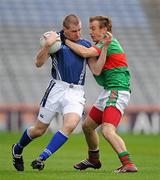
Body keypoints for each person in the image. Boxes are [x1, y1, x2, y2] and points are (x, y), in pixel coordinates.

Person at [11, 14, 111, 172]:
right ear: (65, 29)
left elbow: (97, 71)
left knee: (70, 125)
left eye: (79, 29)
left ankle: (42, 157)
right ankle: (17, 148)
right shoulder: (55, 41)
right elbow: (38, 63)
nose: (78, 33)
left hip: (76, 92)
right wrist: (46, 46)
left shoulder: (85, 44)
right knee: (39, 130)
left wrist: (104, 48)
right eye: (74, 31)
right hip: (56, 89)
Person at [64, 15, 138, 173]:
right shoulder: (103, 44)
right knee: (87, 126)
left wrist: (66, 41)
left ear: (104, 30)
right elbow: (96, 69)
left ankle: (128, 163)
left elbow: (84, 53)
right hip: (108, 91)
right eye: (90, 28)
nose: (90, 32)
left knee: (107, 130)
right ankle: (93, 159)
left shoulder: (110, 43)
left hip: (117, 90)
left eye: (93, 28)